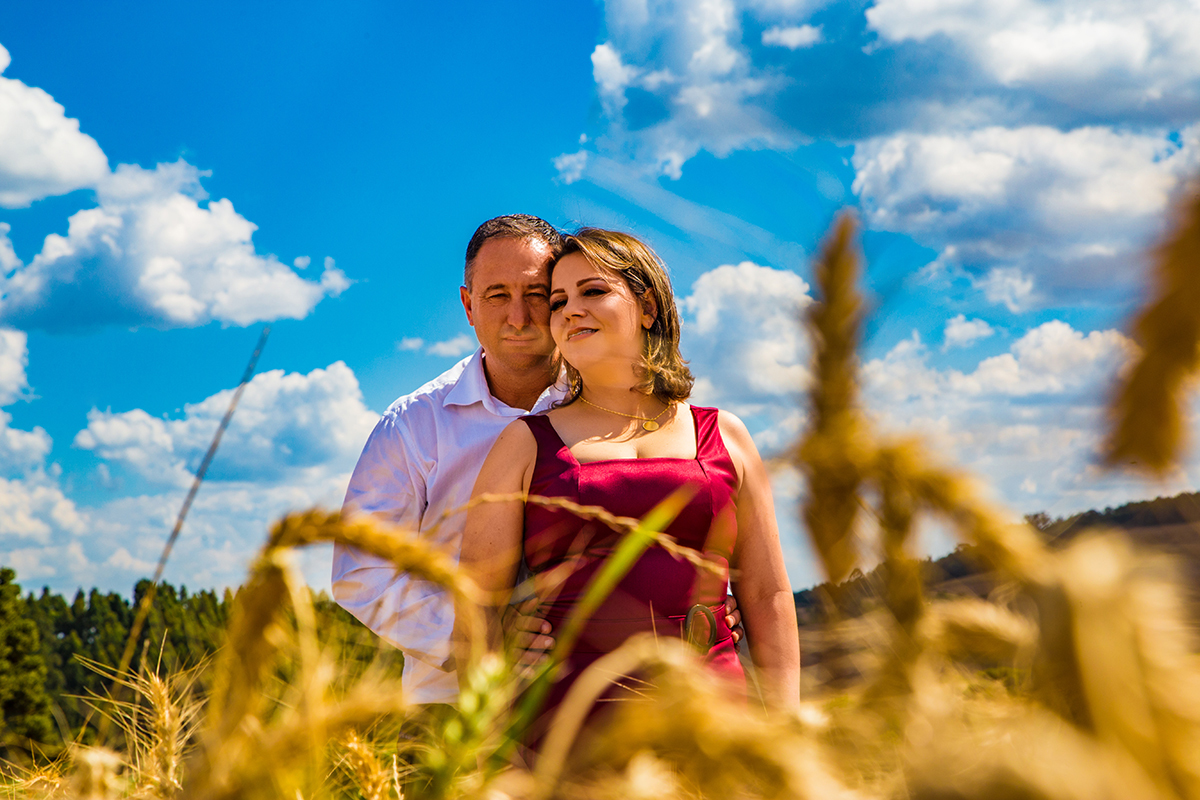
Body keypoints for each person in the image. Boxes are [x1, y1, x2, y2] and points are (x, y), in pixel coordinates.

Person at [331, 215, 744, 708]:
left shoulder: (621, 406)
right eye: (497, 295)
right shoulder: (413, 423)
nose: (519, 316)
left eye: (536, 294)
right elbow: (360, 569)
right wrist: (476, 638)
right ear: (467, 304)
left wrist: (713, 602)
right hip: (450, 710)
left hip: (603, 701)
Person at [457, 227, 800, 746]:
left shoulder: (724, 434)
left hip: (716, 722)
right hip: (569, 730)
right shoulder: (524, 444)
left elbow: (766, 591)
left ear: (647, 306)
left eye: (592, 291)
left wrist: (786, 728)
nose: (570, 310)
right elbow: (476, 608)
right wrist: (489, 752)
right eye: (558, 301)